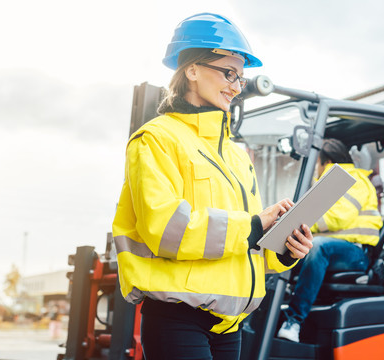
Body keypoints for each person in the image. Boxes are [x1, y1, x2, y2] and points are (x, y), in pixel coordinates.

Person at [112, 12, 314, 360]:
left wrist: (284, 249)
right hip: (177, 320)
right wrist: (254, 224)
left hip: (229, 326)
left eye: (240, 76)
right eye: (228, 73)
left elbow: (246, 247)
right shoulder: (155, 140)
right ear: (191, 69)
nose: (236, 87)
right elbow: (164, 228)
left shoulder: (237, 157)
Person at [277, 138, 383, 343]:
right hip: (334, 251)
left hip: (355, 254)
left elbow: (337, 217)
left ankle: (294, 321)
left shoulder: (354, 181)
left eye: (316, 163)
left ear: (324, 162)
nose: (315, 168)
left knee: (316, 247)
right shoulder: (327, 184)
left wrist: (300, 224)